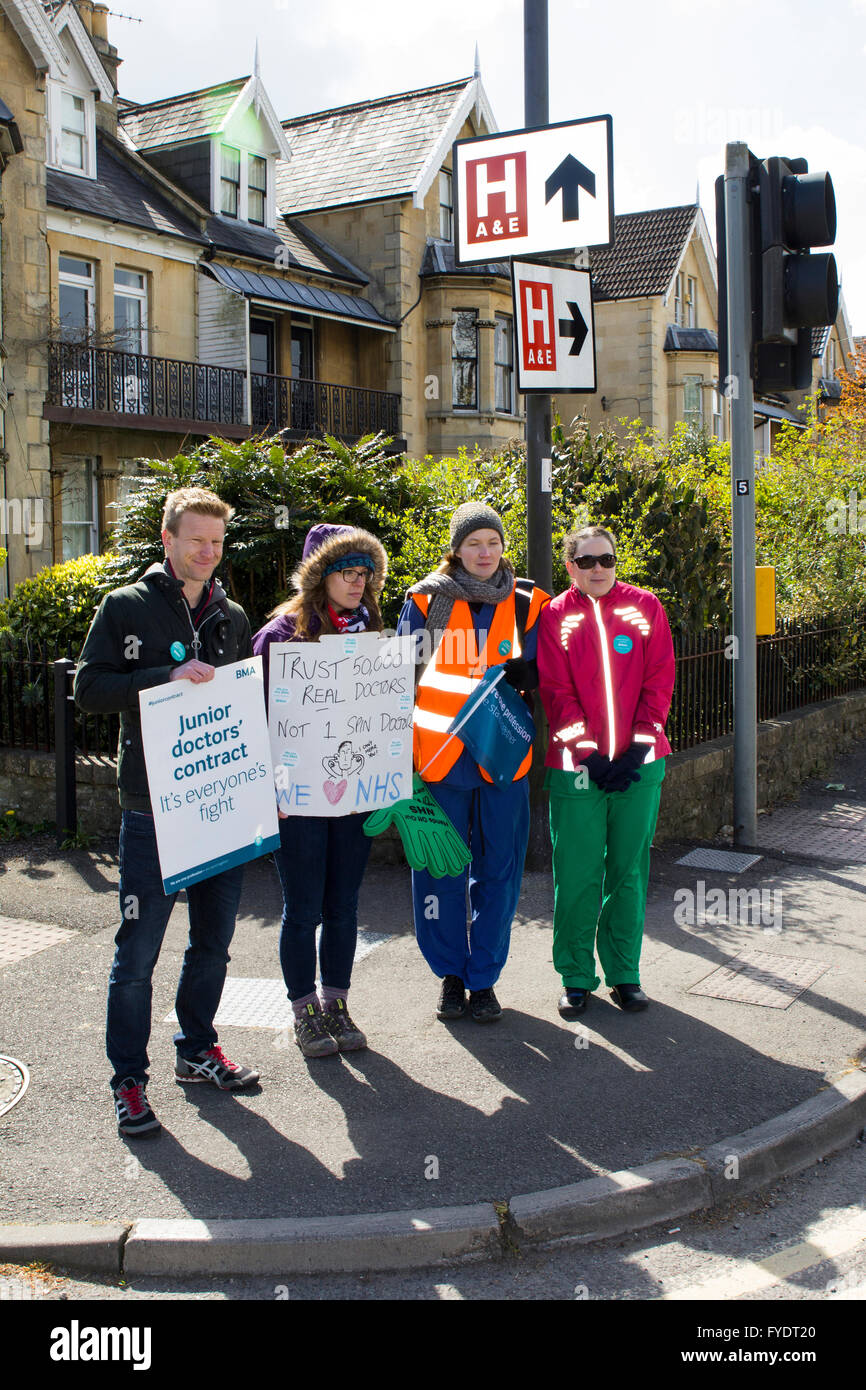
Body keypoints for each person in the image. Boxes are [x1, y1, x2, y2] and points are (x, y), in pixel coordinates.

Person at [74, 487, 260, 1139]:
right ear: (168, 540)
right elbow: (89, 689)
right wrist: (162, 678)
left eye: (216, 542)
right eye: (196, 540)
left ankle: (195, 1050)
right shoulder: (125, 606)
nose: (208, 552)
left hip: (222, 804)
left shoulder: (231, 615)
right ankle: (129, 1080)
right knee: (139, 950)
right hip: (153, 808)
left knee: (213, 944)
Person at [397, 503, 549, 1023]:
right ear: (456, 550)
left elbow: (553, 671)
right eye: (473, 543)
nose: (485, 553)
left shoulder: (529, 603)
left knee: (499, 871)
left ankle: (483, 977)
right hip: (438, 760)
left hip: (504, 763)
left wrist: (527, 677)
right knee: (439, 869)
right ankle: (450, 974)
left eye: (493, 542)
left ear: (504, 547)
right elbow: (400, 679)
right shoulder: (423, 601)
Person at [252, 523, 387, 1059]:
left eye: (364, 573)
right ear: (319, 575)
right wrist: (269, 790)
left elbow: (381, 710)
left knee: (344, 905)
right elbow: (256, 715)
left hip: (354, 794)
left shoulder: (370, 626)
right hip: (297, 799)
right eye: (346, 572)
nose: (357, 583)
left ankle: (337, 1002)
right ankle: (304, 1009)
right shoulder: (280, 635)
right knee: (302, 907)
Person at [536, 525, 675, 1018]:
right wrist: (591, 755)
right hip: (578, 769)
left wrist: (637, 750)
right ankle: (575, 976)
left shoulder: (646, 606)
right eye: (587, 561)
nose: (598, 569)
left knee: (629, 874)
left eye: (607, 560)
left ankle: (625, 974)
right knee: (576, 875)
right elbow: (555, 690)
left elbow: (660, 680)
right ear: (569, 566)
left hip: (641, 766)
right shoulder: (554, 615)